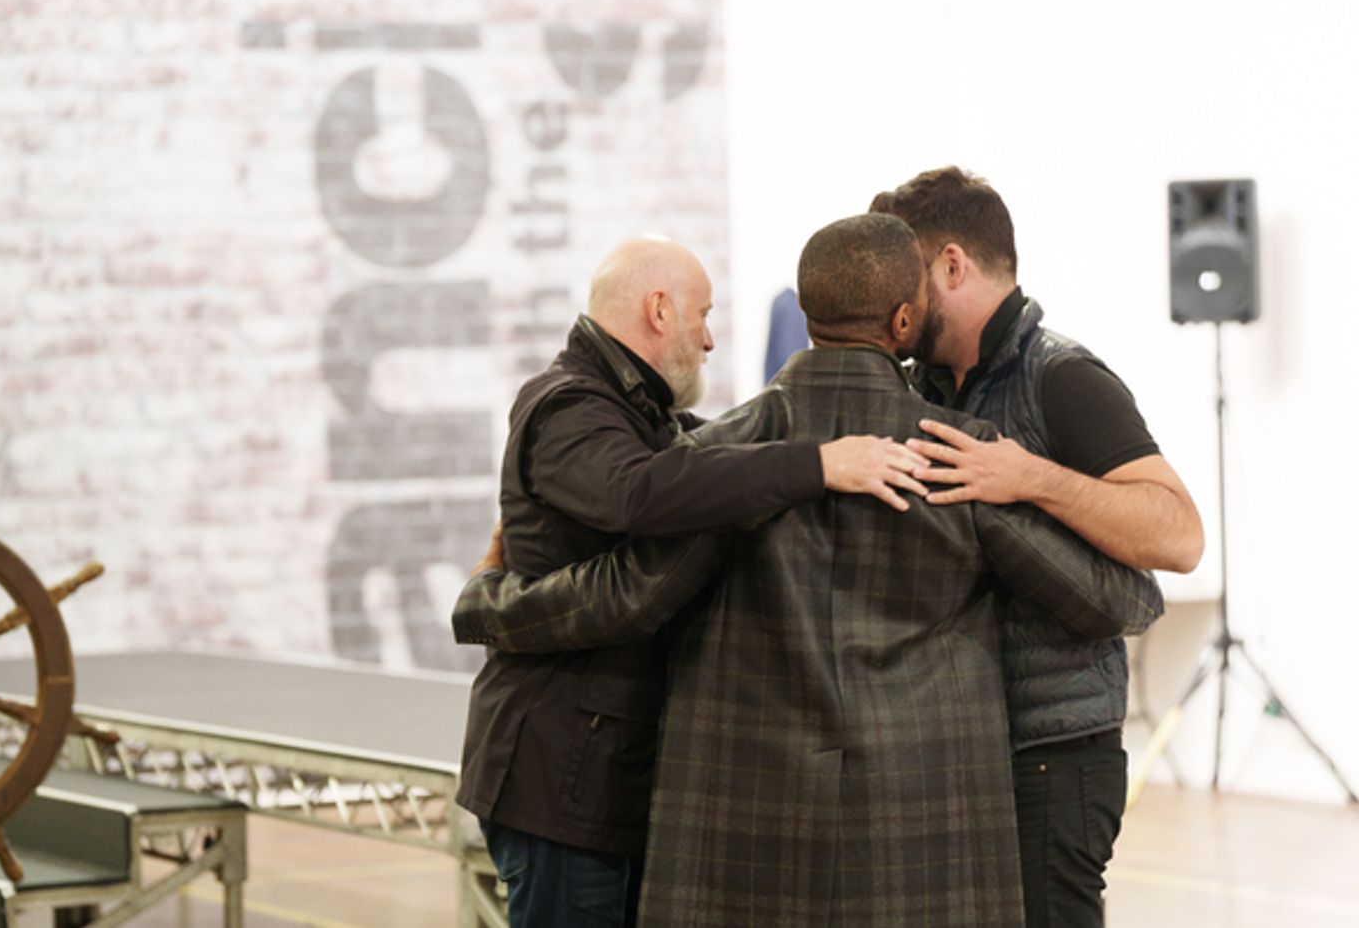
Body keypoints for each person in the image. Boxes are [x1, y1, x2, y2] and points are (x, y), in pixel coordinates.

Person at [455, 214, 1165, 928]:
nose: (708, 337)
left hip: (751, 835)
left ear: (803, 310)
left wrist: (491, 602)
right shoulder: (958, 456)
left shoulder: (722, 459)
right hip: (925, 828)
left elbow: (624, 597)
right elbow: (1119, 600)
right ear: (904, 320)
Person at [456, 234, 930, 928]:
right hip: (560, 781)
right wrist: (818, 464)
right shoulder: (570, 406)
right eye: (703, 316)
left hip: (602, 778)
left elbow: (713, 459)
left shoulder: (640, 411)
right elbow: (643, 492)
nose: (709, 339)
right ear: (658, 310)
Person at [869, 166, 1205, 928]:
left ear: (952, 265)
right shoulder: (922, 387)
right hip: (968, 749)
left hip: (1058, 753)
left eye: (905, 276)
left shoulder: (1064, 376)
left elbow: (1180, 534)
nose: (896, 302)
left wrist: (1030, 477)